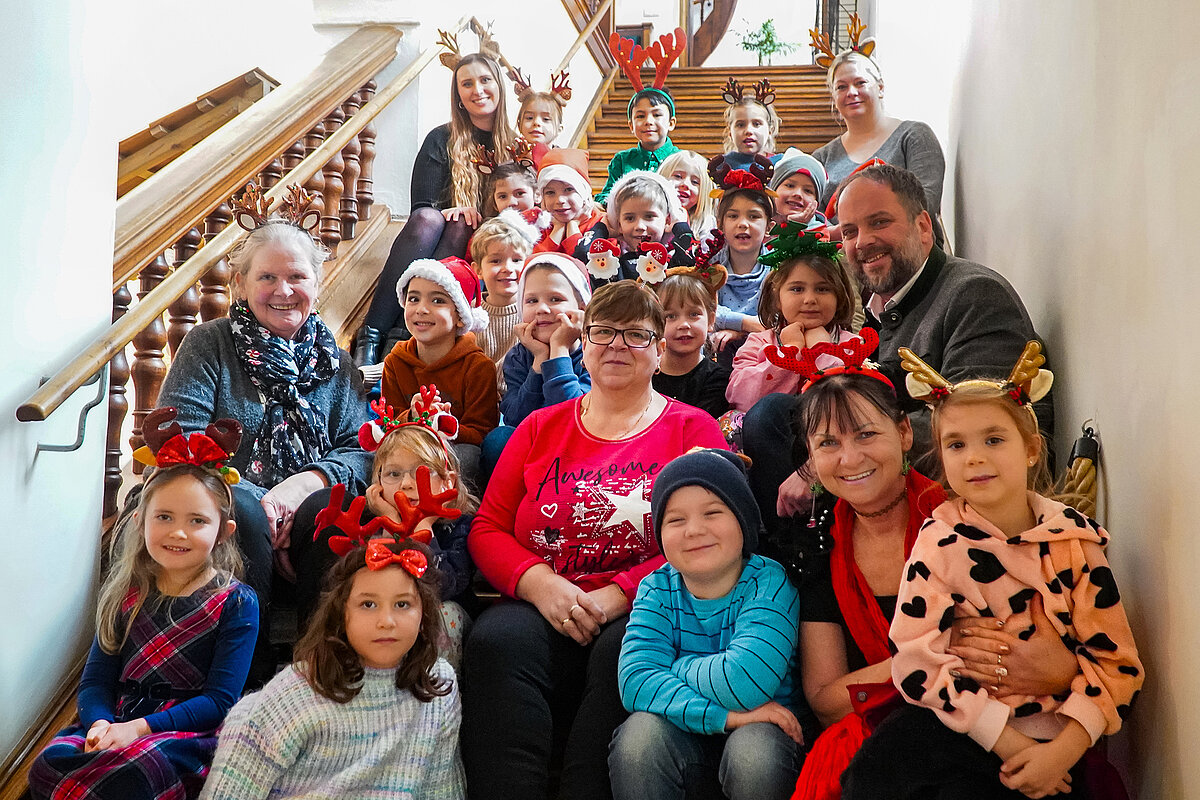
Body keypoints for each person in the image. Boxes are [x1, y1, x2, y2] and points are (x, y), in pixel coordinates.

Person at [461, 281, 728, 800]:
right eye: (603, 332)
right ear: (583, 342)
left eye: (635, 335)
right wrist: (540, 585)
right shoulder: (540, 425)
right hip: (543, 596)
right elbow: (488, 526)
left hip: (646, 602)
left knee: (625, 651)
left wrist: (620, 593)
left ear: (658, 349)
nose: (617, 345)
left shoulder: (692, 430)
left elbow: (717, 537)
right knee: (496, 641)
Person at [841, 346, 1144, 799]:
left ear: (1030, 449)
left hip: (1057, 738)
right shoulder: (938, 541)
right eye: (957, 444)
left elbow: (1117, 666)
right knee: (874, 771)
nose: (975, 458)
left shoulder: (1074, 542)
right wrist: (1006, 739)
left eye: (994, 439)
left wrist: (1058, 754)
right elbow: (915, 658)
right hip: (967, 725)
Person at [784, 353, 1077, 800]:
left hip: (1011, 722)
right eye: (827, 443)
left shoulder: (968, 516)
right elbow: (826, 700)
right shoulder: (819, 548)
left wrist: (1049, 668)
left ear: (905, 432)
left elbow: (1055, 653)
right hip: (894, 739)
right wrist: (934, 652)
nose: (849, 457)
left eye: (866, 434)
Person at [748, 163, 1051, 528]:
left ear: (923, 227)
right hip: (891, 494)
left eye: (879, 222)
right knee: (778, 413)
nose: (862, 242)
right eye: (850, 231)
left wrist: (819, 464)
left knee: (776, 417)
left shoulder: (974, 294)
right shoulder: (888, 310)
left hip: (960, 515)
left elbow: (975, 427)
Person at [156, 194, 372, 675]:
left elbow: (362, 449)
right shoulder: (208, 343)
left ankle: (322, 670)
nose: (284, 290)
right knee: (247, 511)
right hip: (232, 510)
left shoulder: (336, 362)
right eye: (267, 277)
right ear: (241, 283)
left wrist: (302, 486)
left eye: (297, 276)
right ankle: (244, 677)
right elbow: (183, 438)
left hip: (306, 529)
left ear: (317, 282)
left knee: (327, 506)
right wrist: (267, 502)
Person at [29, 417, 258, 800]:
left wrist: (138, 729)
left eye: (197, 521)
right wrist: (100, 723)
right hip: (118, 718)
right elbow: (95, 681)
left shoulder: (236, 602)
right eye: (164, 517)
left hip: (183, 733)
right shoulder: (126, 592)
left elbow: (218, 701)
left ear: (223, 532)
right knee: (47, 764)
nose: (178, 532)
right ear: (140, 521)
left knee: (136, 770)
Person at [200, 540, 465, 799]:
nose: (386, 621)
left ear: (424, 616)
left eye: (403, 604)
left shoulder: (438, 685)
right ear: (341, 614)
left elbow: (441, 788)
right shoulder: (297, 691)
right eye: (368, 604)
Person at [610, 448, 803, 800]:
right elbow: (635, 682)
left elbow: (746, 682)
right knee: (639, 738)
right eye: (675, 520)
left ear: (743, 520)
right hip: (683, 741)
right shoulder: (656, 588)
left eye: (712, 513)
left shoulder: (770, 582)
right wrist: (726, 717)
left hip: (765, 738)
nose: (694, 530)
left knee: (752, 751)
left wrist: (675, 666)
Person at [290, 389, 477, 668]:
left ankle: (433, 693)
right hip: (380, 617)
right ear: (376, 482)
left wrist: (421, 528)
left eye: (421, 472)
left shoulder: (460, 526)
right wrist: (390, 521)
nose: (406, 484)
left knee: (446, 615)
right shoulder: (370, 524)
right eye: (393, 474)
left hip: (430, 625)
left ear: (448, 481)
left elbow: (443, 584)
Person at [356, 50, 517, 365]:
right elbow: (423, 205)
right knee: (429, 219)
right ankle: (371, 333)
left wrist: (476, 215)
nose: (478, 90)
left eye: (485, 80)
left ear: (499, 84)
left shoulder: (515, 145)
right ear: (458, 94)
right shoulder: (440, 138)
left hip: (484, 243)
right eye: (466, 84)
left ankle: (401, 336)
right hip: (437, 236)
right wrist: (456, 209)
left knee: (464, 224)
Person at [381, 256, 499, 488]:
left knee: (468, 458)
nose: (421, 309)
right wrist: (414, 417)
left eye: (437, 300)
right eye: (413, 298)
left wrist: (441, 423)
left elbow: (482, 434)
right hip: (406, 449)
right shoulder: (395, 361)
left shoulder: (478, 366)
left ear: (460, 317)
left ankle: (451, 519)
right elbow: (387, 422)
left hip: (452, 453)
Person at [811, 46, 945, 242]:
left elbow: (925, 203)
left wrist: (852, 230)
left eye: (860, 82)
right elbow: (814, 218)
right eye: (841, 87)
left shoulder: (913, 136)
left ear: (880, 88)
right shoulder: (821, 158)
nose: (851, 92)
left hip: (908, 253)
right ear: (833, 97)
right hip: (840, 261)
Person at [725, 227, 858, 415]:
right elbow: (740, 397)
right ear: (777, 298)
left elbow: (853, 404)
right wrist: (790, 351)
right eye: (797, 289)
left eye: (822, 289)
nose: (810, 299)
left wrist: (822, 349)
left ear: (839, 297)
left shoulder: (853, 345)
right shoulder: (758, 343)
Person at [500, 252, 594, 427]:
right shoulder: (518, 356)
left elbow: (572, 416)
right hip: (532, 440)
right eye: (532, 300)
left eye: (555, 299)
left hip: (577, 445)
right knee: (498, 440)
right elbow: (514, 419)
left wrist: (559, 349)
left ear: (582, 308)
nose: (541, 308)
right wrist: (539, 361)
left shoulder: (594, 352)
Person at [596, 29, 685, 205]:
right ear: (631, 125)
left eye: (657, 114)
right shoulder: (622, 160)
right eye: (640, 116)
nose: (648, 121)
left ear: (671, 123)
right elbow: (605, 196)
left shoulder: (681, 159)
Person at [707, 155, 774, 360]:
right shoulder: (709, 264)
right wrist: (747, 323)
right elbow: (701, 309)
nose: (743, 223)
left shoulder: (778, 268)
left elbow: (780, 318)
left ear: (768, 227)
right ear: (720, 224)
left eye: (753, 216)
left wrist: (740, 333)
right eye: (733, 216)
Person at [575, 170, 692, 284]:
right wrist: (602, 228)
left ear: (668, 220)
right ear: (619, 224)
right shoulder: (611, 265)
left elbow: (690, 257)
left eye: (649, 216)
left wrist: (679, 225)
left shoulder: (672, 260)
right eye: (630, 218)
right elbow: (581, 255)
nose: (640, 226)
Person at [469, 210, 539, 394]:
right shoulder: (469, 313)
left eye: (516, 260)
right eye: (495, 261)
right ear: (478, 270)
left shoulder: (535, 313)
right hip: (475, 400)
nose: (508, 268)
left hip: (519, 399)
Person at [652, 254, 731, 418]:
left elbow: (699, 426)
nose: (684, 324)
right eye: (671, 316)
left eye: (694, 314)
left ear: (710, 320)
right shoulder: (645, 372)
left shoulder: (718, 379)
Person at [533, 149, 605, 255]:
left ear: (583, 192)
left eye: (568, 190)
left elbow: (588, 262)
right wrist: (557, 229)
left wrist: (573, 227)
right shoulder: (538, 225)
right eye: (550, 192)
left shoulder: (602, 223)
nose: (560, 200)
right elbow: (535, 264)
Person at [720, 76, 783, 169]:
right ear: (730, 132)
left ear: (770, 130)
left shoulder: (780, 165)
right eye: (740, 125)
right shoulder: (720, 167)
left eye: (756, 124)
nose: (749, 131)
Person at [659, 150, 716, 238]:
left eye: (695, 182)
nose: (685, 184)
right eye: (678, 176)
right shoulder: (650, 217)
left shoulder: (706, 225)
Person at [769, 148, 829, 232]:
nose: (798, 194)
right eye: (790, 185)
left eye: (808, 191)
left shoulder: (821, 233)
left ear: (816, 203)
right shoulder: (758, 223)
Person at [512, 69, 571, 147]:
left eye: (546, 119)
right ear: (519, 125)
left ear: (559, 129)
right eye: (529, 118)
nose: (536, 122)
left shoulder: (565, 158)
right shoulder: (511, 157)